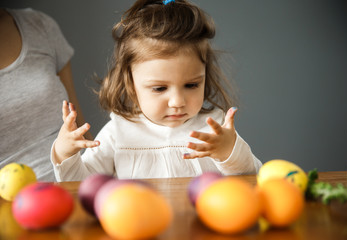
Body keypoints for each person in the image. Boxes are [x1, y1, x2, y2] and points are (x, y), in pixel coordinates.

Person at [51, 0, 262, 181]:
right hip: (139, 228)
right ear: (131, 85)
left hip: (201, 227)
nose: (177, 101)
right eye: (160, 88)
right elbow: (82, 188)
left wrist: (229, 152)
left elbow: (253, 179)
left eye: (191, 85)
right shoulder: (118, 133)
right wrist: (64, 154)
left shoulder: (213, 128)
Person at [0, 8, 91, 181]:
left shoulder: (38, 24)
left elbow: (78, 125)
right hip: (12, 204)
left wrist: (102, 176)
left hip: (79, 186)